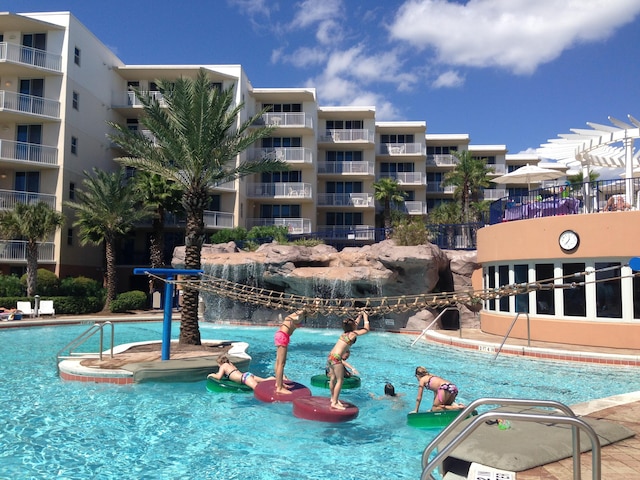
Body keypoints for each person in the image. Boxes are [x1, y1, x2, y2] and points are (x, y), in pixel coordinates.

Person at [326, 310, 370, 409]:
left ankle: (333, 398)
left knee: (333, 379)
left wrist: (360, 314)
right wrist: (366, 317)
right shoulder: (352, 334)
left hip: (330, 356)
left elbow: (354, 324)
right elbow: (366, 329)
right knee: (340, 380)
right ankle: (335, 403)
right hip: (337, 358)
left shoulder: (345, 333)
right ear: (353, 326)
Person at [274, 307, 307, 394]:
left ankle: (279, 383)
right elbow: (295, 317)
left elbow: (313, 314)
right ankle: (279, 388)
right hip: (283, 336)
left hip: (281, 335)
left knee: (278, 362)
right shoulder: (295, 316)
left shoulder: (296, 316)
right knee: (281, 363)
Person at [208, 355, 274, 391]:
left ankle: (272, 392)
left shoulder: (223, 366)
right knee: (265, 380)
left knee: (257, 389)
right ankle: (278, 380)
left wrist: (211, 375)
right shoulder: (230, 364)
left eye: (218, 364)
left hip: (244, 378)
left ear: (220, 363)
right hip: (246, 375)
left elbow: (219, 377)